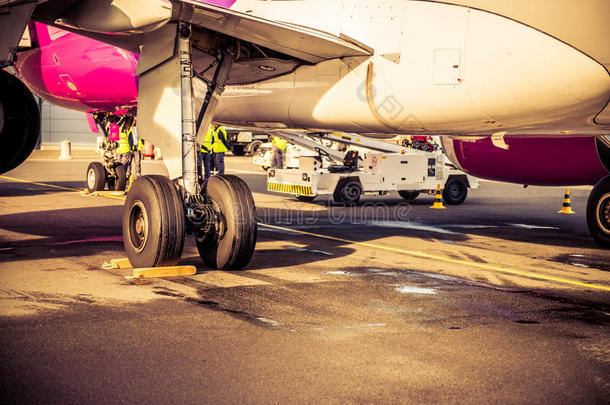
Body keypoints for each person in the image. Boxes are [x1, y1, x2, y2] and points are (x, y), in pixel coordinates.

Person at [116, 117, 132, 183]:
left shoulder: (119, 128)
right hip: (126, 150)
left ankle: (118, 178)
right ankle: (123, 179)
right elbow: (131, 140)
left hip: (119, 150)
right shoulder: (130, 129)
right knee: (124, 166)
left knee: (118, 166)